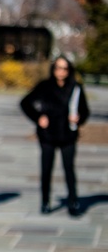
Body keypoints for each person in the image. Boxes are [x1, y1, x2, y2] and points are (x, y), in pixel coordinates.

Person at [20, 56, 90, 215]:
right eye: (58, 68)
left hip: (68, 135)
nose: (61, 71)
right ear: (53, 69)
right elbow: (25, 103)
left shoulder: (75, 87)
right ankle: (45, 201)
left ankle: (73, 201)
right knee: (46, 169)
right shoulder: (45, 86)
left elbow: (85, 111)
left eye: (65, 68)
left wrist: (78, 118)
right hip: (48, 135)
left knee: (69, 169)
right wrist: (38, 117)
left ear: (69, 70)